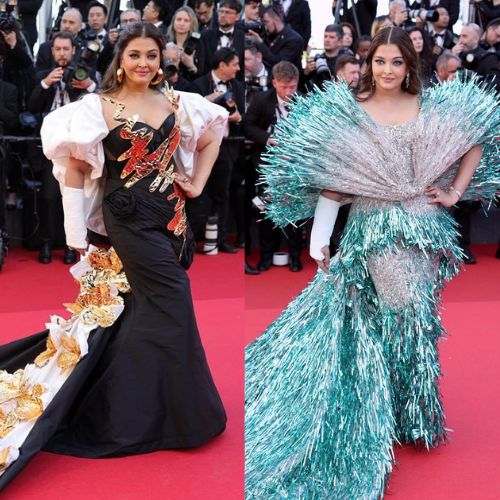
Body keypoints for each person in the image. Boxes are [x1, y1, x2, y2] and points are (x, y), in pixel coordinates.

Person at [245, 26, 498, 498]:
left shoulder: (431, 107)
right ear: (366, 66)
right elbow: (335, 184)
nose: (386, 71)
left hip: (427, 230)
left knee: (414, 320)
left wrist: (455, 192)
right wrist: (320, 238)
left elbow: (477, 139)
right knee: (407, 317)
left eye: (396, 62)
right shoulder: (352, 114)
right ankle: (400, 411)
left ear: (410, 66)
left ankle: (404, 409)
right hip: (374, 233)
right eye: (378, 62)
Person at [0, 22, 227, 487]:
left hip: (171, 219)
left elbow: (214, 136)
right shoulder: (95, 108)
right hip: (127, 217)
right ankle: (177, 413)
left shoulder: (178, 102)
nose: (144, 63)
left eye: (151, 55)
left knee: (140, 310)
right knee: (174, 301)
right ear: (119, 61)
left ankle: (132, 406)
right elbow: (76, 171)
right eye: (135, 55)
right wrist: (73, 233)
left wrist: (198, 185)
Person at [29, 31, 98, 265]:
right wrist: (46, 83)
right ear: (52, 51)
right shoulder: (42, 75)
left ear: (73, 50)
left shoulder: (84, 74)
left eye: (66, 49)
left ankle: (73, 245)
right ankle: (47, 242)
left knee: (76, 198)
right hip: (52, 148)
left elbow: (99, 105)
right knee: (49, 197)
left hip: (78, 149)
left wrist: (89, 86)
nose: (61, 53)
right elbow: (31, 105)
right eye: (57, 49)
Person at [244, 61, 303, 272]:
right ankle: (266, 256)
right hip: (267, 164)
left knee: (295, 212)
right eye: (284, 87)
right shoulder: (261, 100)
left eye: (292, 87)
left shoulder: (304, 101)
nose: (289, 92)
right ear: (275, 83)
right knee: (266, 212)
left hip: (295, 166)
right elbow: (248, 126)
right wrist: (268, 139)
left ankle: (295, 255)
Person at [166, 6, 203, 81]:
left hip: (188, 86)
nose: (181, 23)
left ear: (191, 24)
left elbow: (201, 76)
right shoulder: (164, 41)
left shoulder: (198, 44)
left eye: (186, 21)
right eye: (179, 19)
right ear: (173, 22)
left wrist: (191, 66)